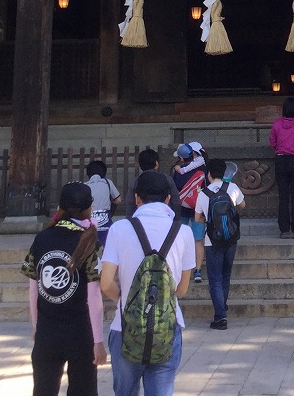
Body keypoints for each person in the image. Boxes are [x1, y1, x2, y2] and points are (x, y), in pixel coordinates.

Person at [101, 170, 196, 396]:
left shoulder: (119, 229)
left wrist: (126, 299)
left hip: (125, 327)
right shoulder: (183, 232)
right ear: (167, 199)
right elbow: (181, 289)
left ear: (136, 198)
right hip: (167, 328)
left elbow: (105, 283)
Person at [22, 181, 106, 396]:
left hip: (47, 332)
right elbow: (94, 296)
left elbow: (34, 288)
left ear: (60, 207)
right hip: (80, 332)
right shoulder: (90, 241)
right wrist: (98, 340)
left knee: (43, 389)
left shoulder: (42, 238)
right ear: (88, 208)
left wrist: (36, 325)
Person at [193, 157, 245, 330]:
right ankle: (222, 307)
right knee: (226, 275)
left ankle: (220, 316)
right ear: (224, 174)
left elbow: (197, 218)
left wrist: (209, 220)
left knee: (214, 278)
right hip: (231, 238)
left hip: (211, 240)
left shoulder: (203, 193)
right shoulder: (233, 188)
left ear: (208, 175)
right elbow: (242, 205)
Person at [268, 97, 294, 239]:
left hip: (281, 160)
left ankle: (284, 229)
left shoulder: (277, 124)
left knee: (283, 196)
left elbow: (272, 142)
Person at [172, 142, 207, 284]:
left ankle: (181, 270)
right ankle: (197, 270)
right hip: (198, 208)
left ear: (181, 158)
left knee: (180, 239)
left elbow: (174, 189)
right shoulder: (203, 169)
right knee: (198, 240)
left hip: (182, 209)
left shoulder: (177, 170)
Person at [125, 148, 181, 217]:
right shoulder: (167, 179)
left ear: (140, 165)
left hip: (142, 218)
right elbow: (176, 201)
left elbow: (130, 203)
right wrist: (177, 219)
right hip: (164, 216)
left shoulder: (136, 181)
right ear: (156, 163)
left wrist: (130, 220)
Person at [85, 159, 122, 246]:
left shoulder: (85, 186)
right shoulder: (108, 182)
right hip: (106, 223)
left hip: (90, 223)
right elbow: (118, 200)